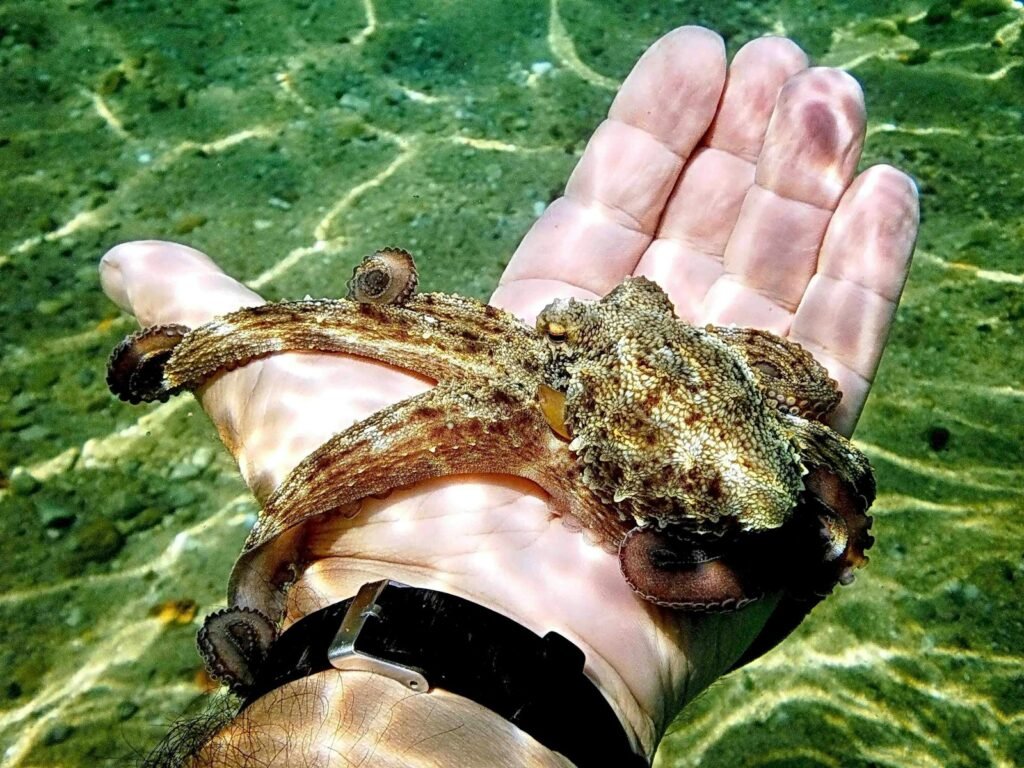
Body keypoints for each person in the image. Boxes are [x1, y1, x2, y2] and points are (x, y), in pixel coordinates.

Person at [100, 26, 918, 768]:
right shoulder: (746, 381)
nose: (587, 319)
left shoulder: (647, 408)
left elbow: (794, 398)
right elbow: (808, 386)